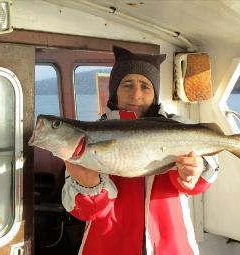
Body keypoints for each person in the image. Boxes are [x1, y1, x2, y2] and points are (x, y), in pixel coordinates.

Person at [62, 46, 218, 255]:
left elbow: (205, 175)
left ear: (154, 94)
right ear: (114, 90)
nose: (136, 94)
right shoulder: (91, 135)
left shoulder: (179, 127)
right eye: (127, 84)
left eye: (145, 86)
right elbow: (85, 211)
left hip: (171, 247)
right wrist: (88, 185)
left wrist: (195, 170)